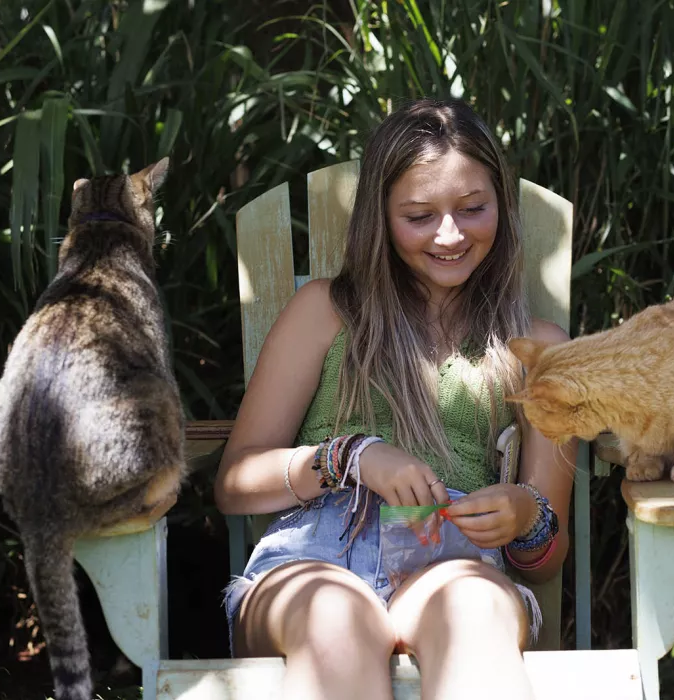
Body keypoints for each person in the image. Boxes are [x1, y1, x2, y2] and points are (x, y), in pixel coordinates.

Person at [214, 98, 576, 700]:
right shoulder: (326, 314)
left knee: (476, 614)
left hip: (451, 563)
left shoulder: (539, 351)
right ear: (380, 218)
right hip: (311, 559)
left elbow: (546, 560)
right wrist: (350, 457)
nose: (450, 234)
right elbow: (233, 482)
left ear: (503, 209)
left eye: (473, 209)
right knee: (333, 617)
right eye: (418, 215)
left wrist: (526, 515)